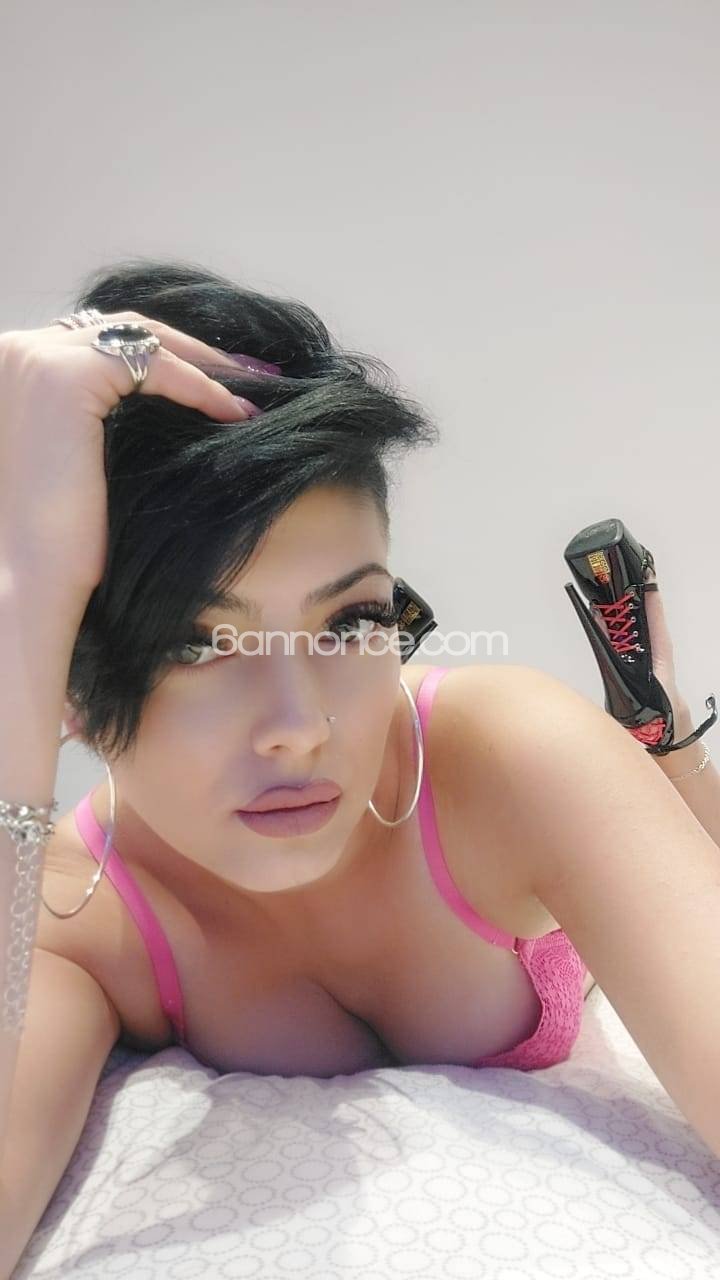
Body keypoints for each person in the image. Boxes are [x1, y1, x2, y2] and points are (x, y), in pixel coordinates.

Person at [2, 259, 719, 1274]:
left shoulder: (508, 752)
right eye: (199, 644)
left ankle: (661, 738)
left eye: (351, 620)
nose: (300, 728)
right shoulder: (81, 918)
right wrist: (26, 584)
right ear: (69, 685)